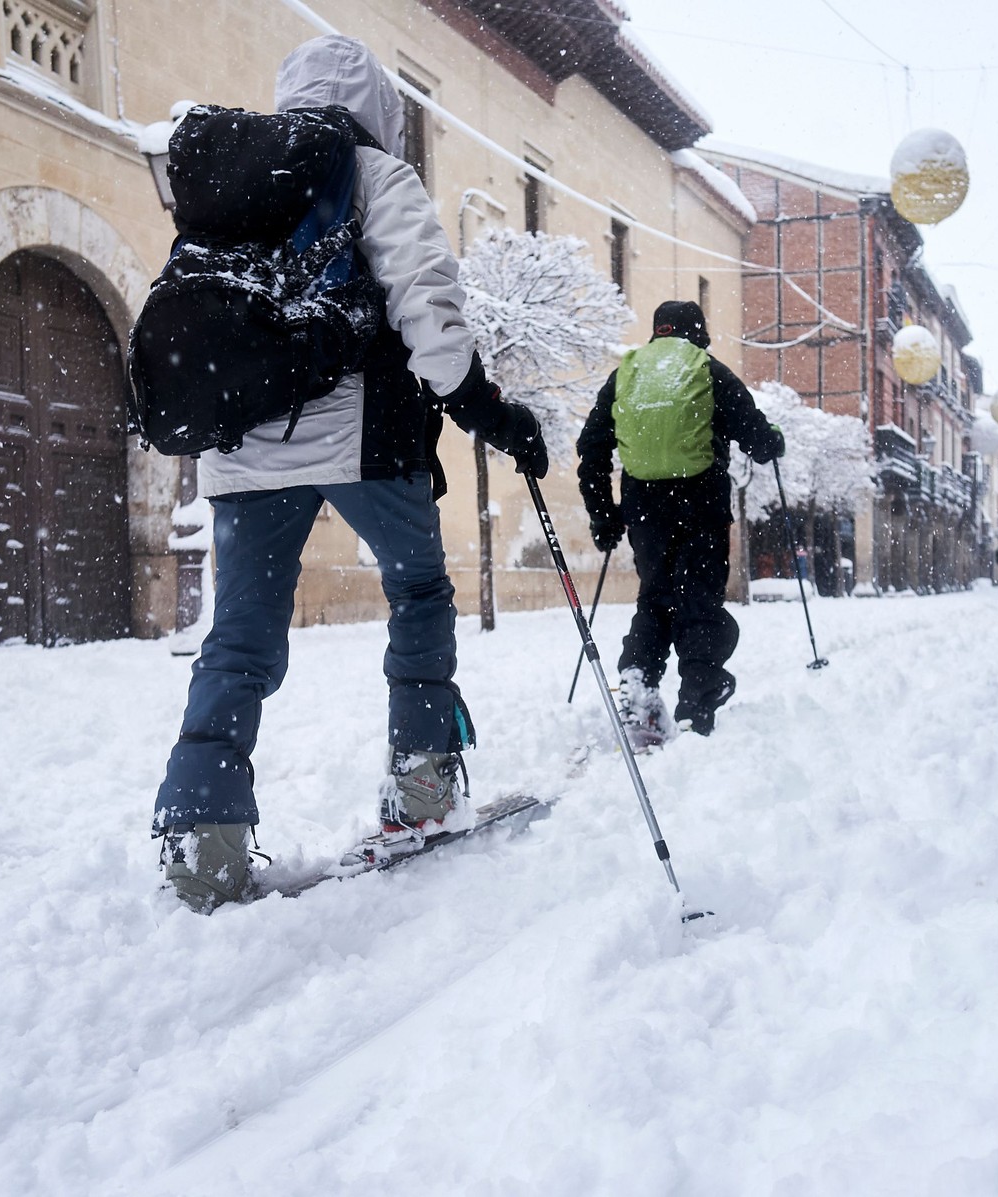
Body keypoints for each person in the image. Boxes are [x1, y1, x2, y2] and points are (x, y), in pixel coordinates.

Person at [153, 35, 549, 913]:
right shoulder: (373, 173)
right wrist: (487, 409)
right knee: (417, 592)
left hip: (243, 448)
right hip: (363, 436)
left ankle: (200, 844)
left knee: (241, 639)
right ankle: (422, 788)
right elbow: (427, 306)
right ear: (382, 112)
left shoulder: (236, 180)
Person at [577, 300, 783, 742]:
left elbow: (591, 447)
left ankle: (637, 679)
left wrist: (605, 515)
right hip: (701, 501)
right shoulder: (709, 370)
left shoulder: (626, 374)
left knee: (655, 596)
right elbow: (755, 434)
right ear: (698, 334)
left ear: (657, 332)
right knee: (700, 598)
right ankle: (697, 699)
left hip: (644, 506)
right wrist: (771, 442)